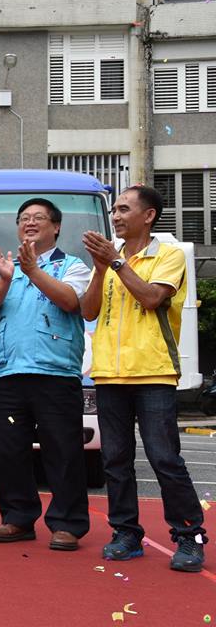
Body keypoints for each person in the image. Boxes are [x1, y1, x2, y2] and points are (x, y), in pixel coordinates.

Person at [81, 185, 207, 572]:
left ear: (148, 215)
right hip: (109, 373)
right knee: (115, 460)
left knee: (164, 457)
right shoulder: (109, 260)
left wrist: (117, 265)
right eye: (114, 210)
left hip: (153, 371)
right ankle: (126, 533)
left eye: (123, 209)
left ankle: (189, 535)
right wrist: (103, 268)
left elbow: (153, 298)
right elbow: (88, 311)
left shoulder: (167, 255)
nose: (115, 217)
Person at [0, 198, 91, 551]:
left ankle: (68, 523)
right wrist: (8, 277)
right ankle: (17, 518)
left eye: (38, 218)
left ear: (56, 227)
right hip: (10, 371)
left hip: (56, 373)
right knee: (10, 452)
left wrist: (35, 271)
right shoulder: (4, 268)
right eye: (24, 218)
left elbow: (72, 302)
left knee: (63, 451)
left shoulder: (73, 266)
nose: (29, 223)